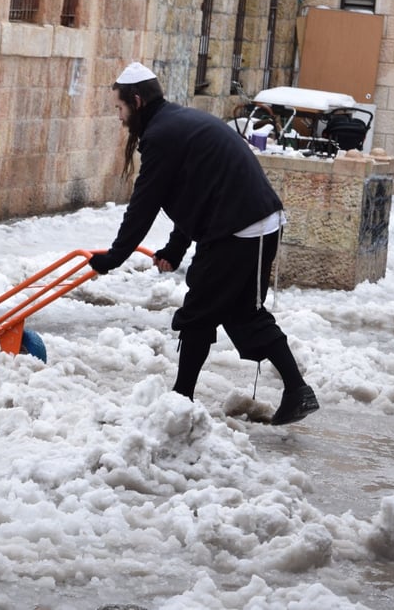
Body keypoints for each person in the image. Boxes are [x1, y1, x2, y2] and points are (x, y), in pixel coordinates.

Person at [88, 62, 319, 425]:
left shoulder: (161, 135)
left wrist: (115, 256)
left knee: (201, 312)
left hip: (242, 227)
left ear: (136, 100)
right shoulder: (175, 124)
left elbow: (144, 202)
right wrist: (175, 248)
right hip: (244, 224)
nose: (119, 117)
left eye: (119, 108)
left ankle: (181, 400)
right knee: (238, 312)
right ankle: (295, 391)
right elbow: (194, 193)